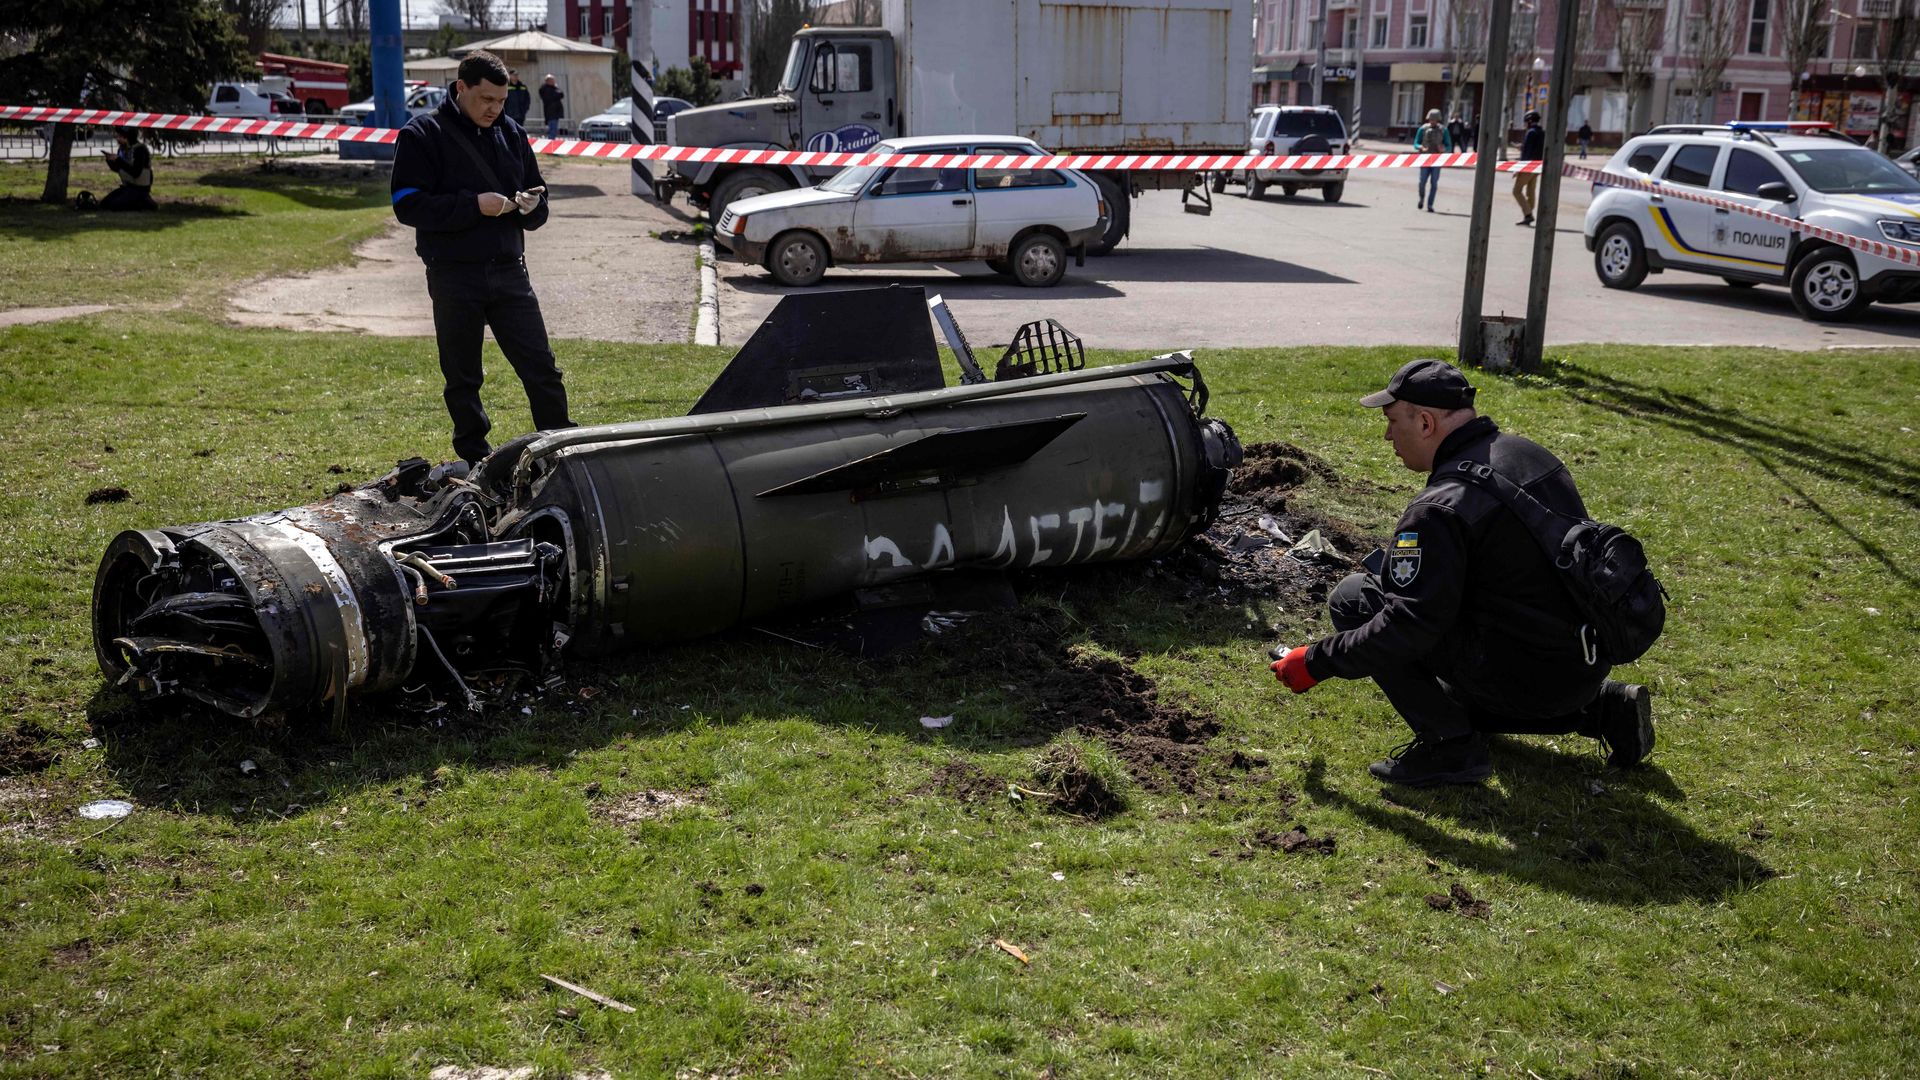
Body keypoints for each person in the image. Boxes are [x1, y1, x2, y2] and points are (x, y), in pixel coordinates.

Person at [1269, 359, 1654, 787]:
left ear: (1426, 422)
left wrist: (1316, 661)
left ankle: (1450, 749)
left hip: (1527, 680)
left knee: (1355, 598)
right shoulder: (1530, 454)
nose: (1387, 436)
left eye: (1392, 421)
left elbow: (1407, 627)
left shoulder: (1440, 508)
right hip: (1583, 664)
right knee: (1459, 681)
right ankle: (1601, 709)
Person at [390, 50, 574, 468]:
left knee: (542, 368)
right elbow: (407, 205)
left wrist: (533, 206)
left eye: (502, 101)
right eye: (486, 99)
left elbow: (539, 197)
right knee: (463, 376)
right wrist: (473, 206)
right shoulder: (422, 134)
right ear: (461, 88)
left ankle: (560, 448)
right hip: (453, 273)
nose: (494, 109)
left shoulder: (512, 132)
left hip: (510, 271)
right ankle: (476, 459)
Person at [99, 127, 157, 211]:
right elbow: (119, 169)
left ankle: (144, 202)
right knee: (105, 204)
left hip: (139, 189)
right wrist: (110, 160)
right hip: (128, 187)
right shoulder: (122, 149)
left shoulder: (140, 150)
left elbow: (136, 173)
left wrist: (118, 160)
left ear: (126, 137)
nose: (117, 139)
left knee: (115, 205)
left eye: (119, 136)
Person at [1413, 108, 1449, 212]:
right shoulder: (1422, 129)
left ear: (1438, 119)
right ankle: (1421, 198)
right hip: (1425, 159)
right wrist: (1420, 147)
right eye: (1431, 119)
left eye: (1434, 119)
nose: (1432, 121)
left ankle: (1430, 204)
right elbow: (1416, 143)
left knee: (1434, 183)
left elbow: (1449, 145)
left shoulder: (1443, 130)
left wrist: (1444, 149)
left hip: (1437, 160)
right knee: (1422, 181)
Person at [1513, 109, 1544, 226]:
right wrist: (1523, 147)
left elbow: (1527, 153)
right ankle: (1528, 215)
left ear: (1530, 121)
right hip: (1537, 166)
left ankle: (1528, 214)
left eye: (1526, 122)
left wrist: (1519, 168)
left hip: (1528, 166)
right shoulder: (1542, 133)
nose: (1525, 124)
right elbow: (1536, 148)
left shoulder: (1530, 133)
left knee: (1516, 191)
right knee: (1531, 192)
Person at [538, 74, 564, 139]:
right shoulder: (545, 89)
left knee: (554, 129)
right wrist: (556, 90)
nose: (554, 82)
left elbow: (561, 94)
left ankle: (551, 141)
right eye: (552, 80)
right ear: (548, 81)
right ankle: (551, 142)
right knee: (553, 130)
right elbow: (556, 95)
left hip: (555, 112)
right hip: (550, 112)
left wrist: (556, 88)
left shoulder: (554, 88)